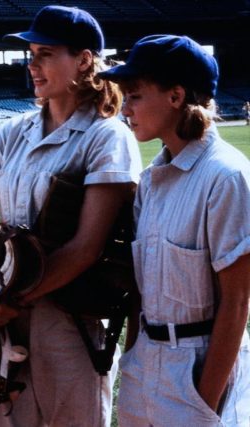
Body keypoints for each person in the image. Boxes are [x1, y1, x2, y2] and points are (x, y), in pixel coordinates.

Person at [0, 5, 142, 426]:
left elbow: (85, 248)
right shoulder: (12, 131)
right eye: (31, 54)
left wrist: (7, 301)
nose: (32, 66)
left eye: (45, 54)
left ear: (84, 60)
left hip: (70, 323)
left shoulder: (106, 135)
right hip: (1, 323)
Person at [99, 34, 250, 426]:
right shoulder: (149, 181)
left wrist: (204, 400)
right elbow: (140, 292)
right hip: (144, 368)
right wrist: (134, 356)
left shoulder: (226, 176)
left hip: (197, 374)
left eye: (134, 95)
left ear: (176, 96)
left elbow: (236, 303)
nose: (125, 109)